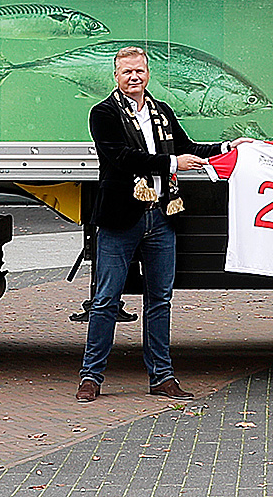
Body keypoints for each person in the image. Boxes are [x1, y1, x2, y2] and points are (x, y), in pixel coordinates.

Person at [78, 43, 222, 401]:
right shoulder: (103, 113)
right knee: (106, 298)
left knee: (160, 299)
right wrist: (173, 165)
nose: (134, 77)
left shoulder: (161, 111)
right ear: (115, 75)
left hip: (161, 216)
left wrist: (227, 147)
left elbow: (187, 147)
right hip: (118, 220)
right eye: (126, 71)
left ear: (148, 73)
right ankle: (91, 376)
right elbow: (122, 158)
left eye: (139, 71)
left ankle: (162, 376)